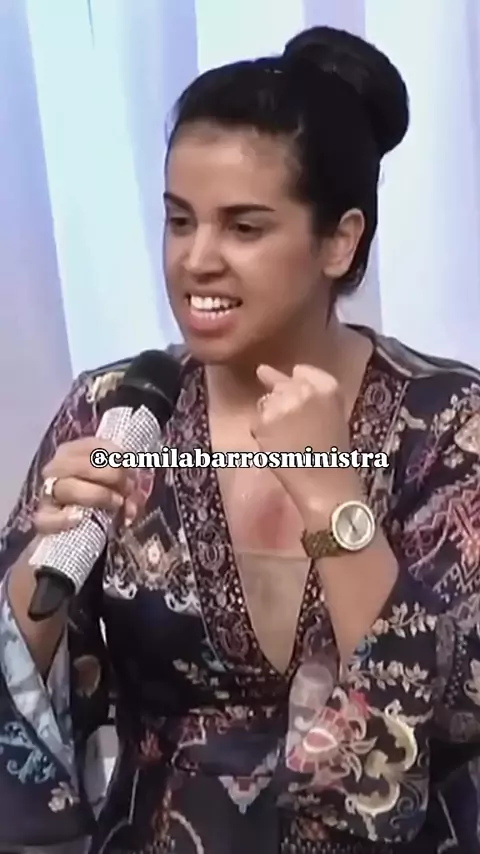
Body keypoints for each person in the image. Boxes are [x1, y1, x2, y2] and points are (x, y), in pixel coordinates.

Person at [1, 23, 480, 854]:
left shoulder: (447, 423)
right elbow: (19, 702)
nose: (197, 260)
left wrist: (332, 495)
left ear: (340, 240)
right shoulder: (116, 411)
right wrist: (49, 558)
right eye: (179, 221)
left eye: (244, 228)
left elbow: (450, 712)